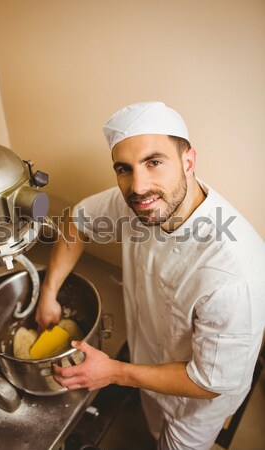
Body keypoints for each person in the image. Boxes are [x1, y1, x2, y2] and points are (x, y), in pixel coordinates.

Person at [36, 102, 265, 450]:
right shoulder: (139, 203)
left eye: (154, 162)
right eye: (124, 169)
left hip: (193, 408)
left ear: (188, 161)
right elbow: (78, 221)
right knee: (151, 426)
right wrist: (49, 291)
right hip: (144, 361)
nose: (138, 187)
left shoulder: (235, 273)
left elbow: (209, 382)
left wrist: (115, 372)